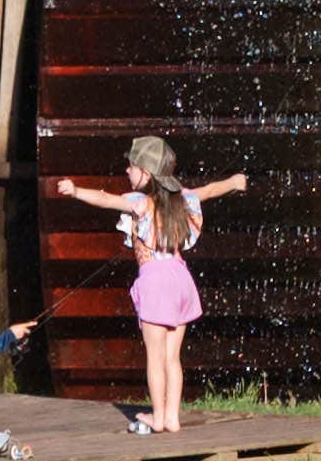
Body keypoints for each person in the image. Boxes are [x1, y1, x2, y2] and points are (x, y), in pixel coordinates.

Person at [54, 134, 248, 435]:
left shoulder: (140, 202)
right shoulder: (182, 199)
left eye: (131, 167)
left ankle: (157, 418)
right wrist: (234, 182)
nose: (127, 172)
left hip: (155, 281)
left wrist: (76, 190)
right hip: (181, 279)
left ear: (145, 172)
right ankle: (172, 417)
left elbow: (107, 200)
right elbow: (209, 191)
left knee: (154, 357)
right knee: (173, 357)